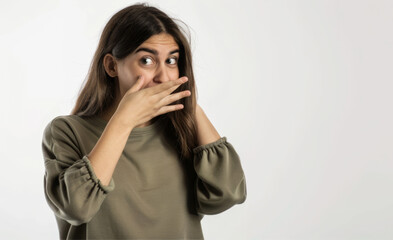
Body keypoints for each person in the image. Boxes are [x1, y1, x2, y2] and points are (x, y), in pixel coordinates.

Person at [41, 3, 247, 240]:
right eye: (147, 61)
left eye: (171, 61)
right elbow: (77, 209)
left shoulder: (182, 130)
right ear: (111, 65)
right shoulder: (67, 131)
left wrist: (188, 102)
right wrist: (123, 120)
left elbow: (228, 194)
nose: (163, 76)